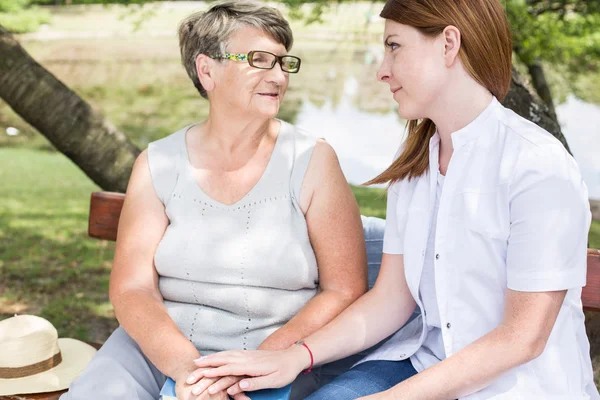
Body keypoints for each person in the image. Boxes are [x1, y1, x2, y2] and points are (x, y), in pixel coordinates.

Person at [190, 0, 599, 399]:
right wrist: (295, 357)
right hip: (421, 364)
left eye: (394, 46)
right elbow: (391, 300)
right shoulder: (415, 167)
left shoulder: (536, 165)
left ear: (448, 44)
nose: (382, 72)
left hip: (517, 386)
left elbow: (520, 340)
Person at [59, 2, 368, 399]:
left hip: (272, 357)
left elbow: (343, 290)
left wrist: (253, 364)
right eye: (259, 60)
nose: (277, 76)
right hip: (158, 347)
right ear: (208, 70)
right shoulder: (159, 162)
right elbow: (132, 287)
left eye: (282, 62)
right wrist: (186, 368)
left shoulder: (312, 160)